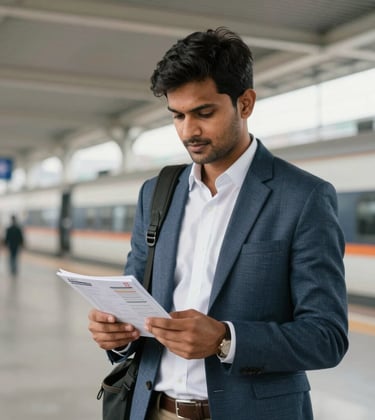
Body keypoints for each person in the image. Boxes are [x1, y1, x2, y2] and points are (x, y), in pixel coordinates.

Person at [88, 27, 348, 420]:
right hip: (154, 410)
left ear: (245, 104)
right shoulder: (157, 193)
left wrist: (226, 339)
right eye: (178, 115)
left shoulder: (303, 197)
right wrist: (118, 335)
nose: (188, 131)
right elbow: (136, 301)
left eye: (204, 113)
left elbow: (327, 337)